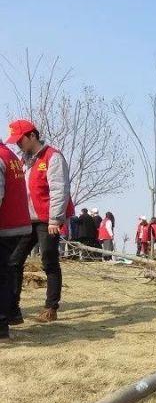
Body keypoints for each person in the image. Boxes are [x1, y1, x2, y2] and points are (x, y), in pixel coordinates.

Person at [7, 120, 73, 323]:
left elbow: (59, 189)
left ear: (32, 136)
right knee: (14, 261)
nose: (17, 144)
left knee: (49, 261)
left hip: (48, 220)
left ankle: (51, 307)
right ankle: (12, 308)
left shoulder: (53, 157)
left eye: (20, 140)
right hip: (27, 220)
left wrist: (55, 219)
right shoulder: (22, 161)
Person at [0, 138, 32, 338]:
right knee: (5, 274)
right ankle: (5, 321)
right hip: (15, 226)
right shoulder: (9, 155)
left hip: (5, 227)